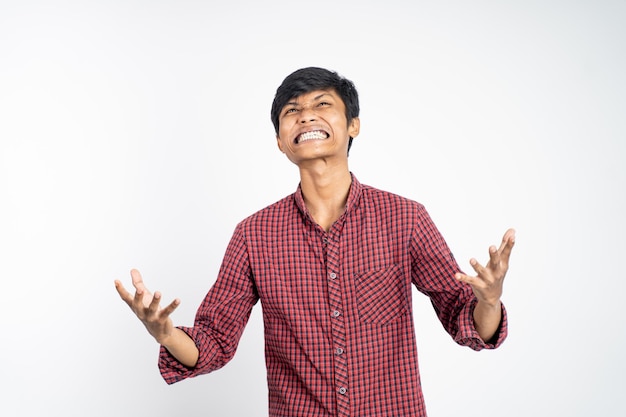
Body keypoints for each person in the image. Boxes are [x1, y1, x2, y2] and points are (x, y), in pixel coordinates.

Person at [115, 67, 515, 417]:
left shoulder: (405, 218)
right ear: (280, 140)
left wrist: (489, 300)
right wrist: (166, 334)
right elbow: (214, 341)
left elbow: (468, 323)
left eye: (322, 105)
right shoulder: (254, 235)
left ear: (352, 124)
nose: (306, 115)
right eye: (291, 111)